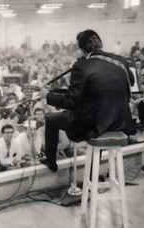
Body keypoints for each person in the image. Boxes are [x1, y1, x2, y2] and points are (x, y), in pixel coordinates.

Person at [40, 29, 135, 172]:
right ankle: (93, 172)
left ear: (82, 49)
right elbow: (131, 83)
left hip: (95, 126)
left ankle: (51, 163)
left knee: (50, 119)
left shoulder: (81, 66)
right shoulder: (121, 60)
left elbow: (71, 102)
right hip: (120, 122)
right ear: (100, 42)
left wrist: (47, 96)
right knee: (101, 112)